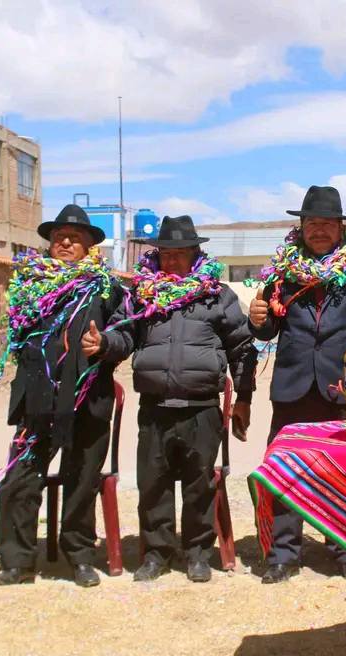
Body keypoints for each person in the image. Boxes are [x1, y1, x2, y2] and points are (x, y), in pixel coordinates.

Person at [82, 215, 255, 583]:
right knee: (153, 485)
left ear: (195, 254)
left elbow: (242, 347)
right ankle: (156, 553)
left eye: (180, 254)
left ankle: (197, 553)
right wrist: (104, 344)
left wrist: (244, 398)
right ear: (157, 255)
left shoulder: (217, 295)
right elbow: (123, 336)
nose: (172, 261)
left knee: (199, 486)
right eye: (166, 254)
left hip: (202, 410)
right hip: (155, 409)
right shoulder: (141, 295)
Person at [248, 185, 346, 584]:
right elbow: (268, 327)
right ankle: (282, 554)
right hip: (293, 383)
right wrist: (258, 320)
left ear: (341, 227)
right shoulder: (283, 270)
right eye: (313, 223)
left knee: (345, 473)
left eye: (328, 223)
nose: (320, 230)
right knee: (286, 471)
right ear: (302, 227)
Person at [0, 205, 125, 588]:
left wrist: (105, 344)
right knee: (19, 478)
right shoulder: (29, 283)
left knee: (81, 479)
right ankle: (16, 561)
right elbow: (16, 337)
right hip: (37, 398)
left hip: (88, 399)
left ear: (89, 245)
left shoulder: (108, 287)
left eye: (75, 238)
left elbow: (129, 335)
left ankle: (80, 555)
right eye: (59, 237)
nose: (66, 242)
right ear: (50, 243)